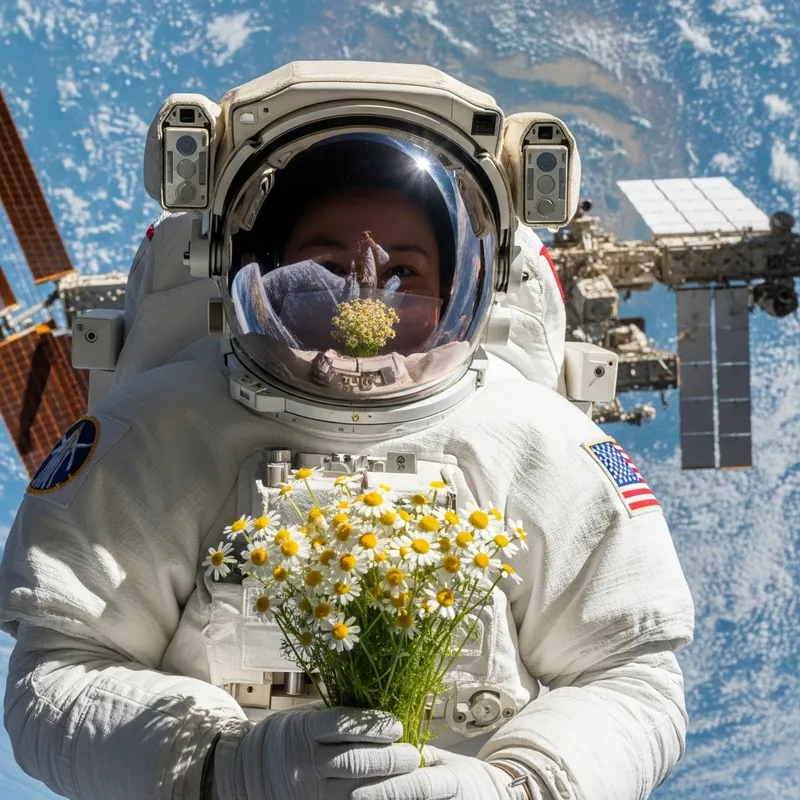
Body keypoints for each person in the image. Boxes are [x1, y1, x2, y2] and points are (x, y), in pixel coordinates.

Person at [0, 61, 694, 800]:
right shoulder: (164, 432)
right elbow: (58, 677)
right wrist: (222, 766)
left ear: (465, 287)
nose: (364, 291)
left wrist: (518, 787)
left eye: (402, 271)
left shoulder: (537, 444)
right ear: (257, 268)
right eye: (326, 265)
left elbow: (632, 679)